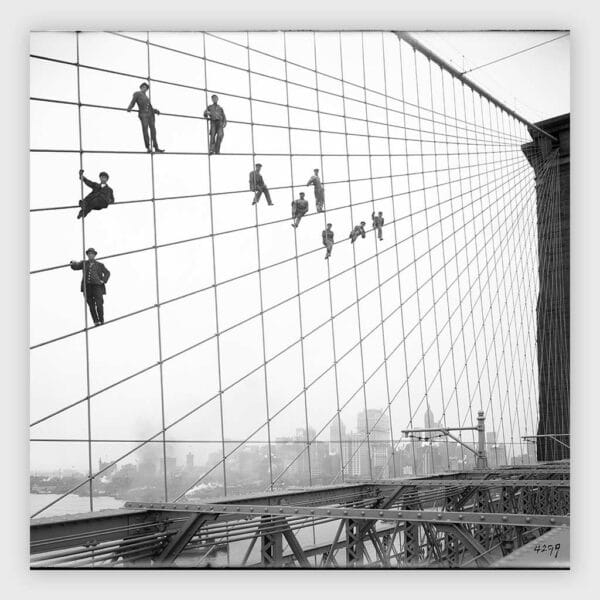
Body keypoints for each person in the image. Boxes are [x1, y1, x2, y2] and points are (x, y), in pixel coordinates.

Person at [70, 248, 111, 326]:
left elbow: (107, 273)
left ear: (94, 255)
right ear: (87, 255)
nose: (90, 255)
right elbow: (76, 266)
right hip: (87, 287)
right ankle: (96, 321)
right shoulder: (84, 263)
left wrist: (103, 280)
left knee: (99, 304)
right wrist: (72, 263)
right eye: (89, 254)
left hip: (97, 286)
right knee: (91, 305)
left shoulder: (100, 265)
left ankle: (101, 319)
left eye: (92, 254)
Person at [127, 82, 164, 153]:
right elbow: (133, 102)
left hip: (150, 115)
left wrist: (155, 110)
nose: (145, 89)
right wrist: (130, 107)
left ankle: (156, 147)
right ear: (141, 87)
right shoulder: (137, 93)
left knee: (153, 131)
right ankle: (148, 147)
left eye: (146, 88)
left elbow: (150, 107)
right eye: (143, 87)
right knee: (145, 130)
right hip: (143, 114)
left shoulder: (147, 97)